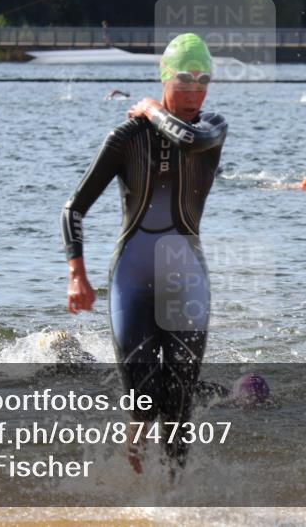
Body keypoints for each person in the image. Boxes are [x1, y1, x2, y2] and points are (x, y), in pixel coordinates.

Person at [61, 32, 226, 475]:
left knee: (178, 405)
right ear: (165, 78)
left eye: (202, 83)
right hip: (131, 278)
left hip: (187, 276)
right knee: (145, 393)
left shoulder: (211, 129)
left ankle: (173, 500)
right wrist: (77, 273)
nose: (194, 94)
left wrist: (153, 108)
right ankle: (136, 433)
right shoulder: (127, 138)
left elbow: (188, 140)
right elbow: (73, 209)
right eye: (184, 83)